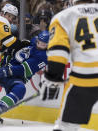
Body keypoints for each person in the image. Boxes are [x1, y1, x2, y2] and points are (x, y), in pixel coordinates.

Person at [39, 0, 98, 131]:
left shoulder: (63, 17)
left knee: (66, 126)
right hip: (86, 75)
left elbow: (58, 55)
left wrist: (52, 78)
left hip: (86, 76)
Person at [0, 30, 49, 114]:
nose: (40, 45)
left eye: (43, 44)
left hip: (15, 77)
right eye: (39, 42)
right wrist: (11, 49)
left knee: (20, 89)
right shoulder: (33, 41)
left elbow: (23, 70)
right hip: (2, 67)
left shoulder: (43, 56)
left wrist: (6, 71)